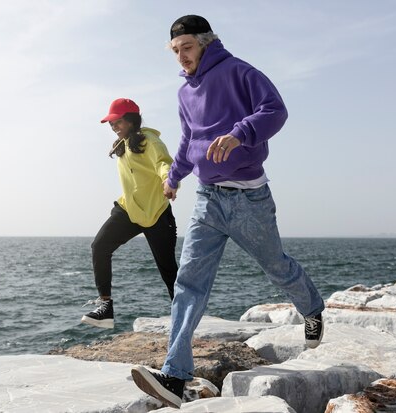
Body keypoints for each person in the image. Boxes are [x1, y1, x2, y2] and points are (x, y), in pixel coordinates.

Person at [130, 15, 326, 408]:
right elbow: (189, 140)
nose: (181, 57)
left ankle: (313, 309)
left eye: (187, 47)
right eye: (176, 51)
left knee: (277, 267)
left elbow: (276, 110)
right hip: (207, 199)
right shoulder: (185, 92)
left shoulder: (239, 71)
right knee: (189, 282)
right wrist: (176, 176)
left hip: (250, 199)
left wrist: (240, 134)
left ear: (205, 43)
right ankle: (175, 374)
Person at [81, 98, 179, 329]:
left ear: (131, 120)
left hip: (156, 212)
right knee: (99, 247)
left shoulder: (150, 140)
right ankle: (105, 308)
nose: (113, 126)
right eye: (111, 122)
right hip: (128, 209)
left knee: (168, 270)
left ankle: (183, 314)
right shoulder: (122, 144)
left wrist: (169, 181)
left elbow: (164, 163)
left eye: (118, 121)